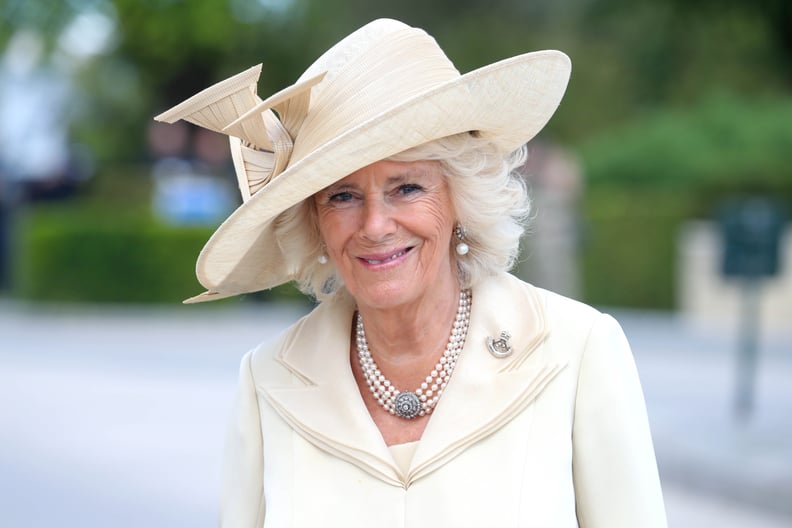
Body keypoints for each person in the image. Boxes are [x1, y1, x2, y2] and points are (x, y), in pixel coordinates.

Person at [155, 18, 667, 528]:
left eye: (406, 188)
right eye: (343, 196)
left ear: (460, 196)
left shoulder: (577, 352)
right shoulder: (266, 380)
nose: (375, 226)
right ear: (315, 221)